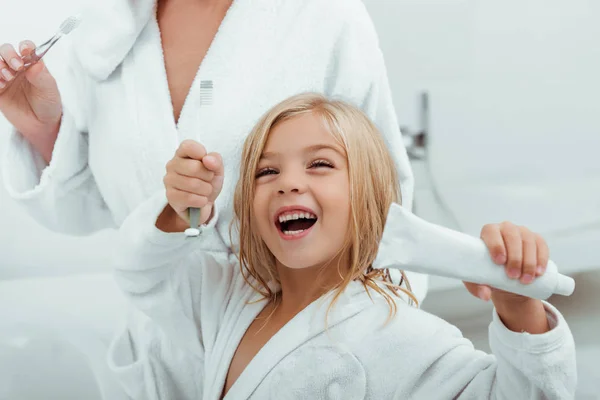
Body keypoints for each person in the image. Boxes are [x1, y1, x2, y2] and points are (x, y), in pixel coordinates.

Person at [110, 93, 576, 400]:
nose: (288, 183)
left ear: (370, 196)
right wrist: (182, 210)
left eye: (319, 164)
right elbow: (140, 273)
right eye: (266, 172)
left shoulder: (399, 337)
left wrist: (520, 310)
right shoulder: (228, 298)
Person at [1, 0, 433, 299]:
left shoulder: (324, 16)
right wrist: (42, 130)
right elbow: (89, 210)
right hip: (157, 352)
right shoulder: (106, 29)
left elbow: (384, 205)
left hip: (299, 339)